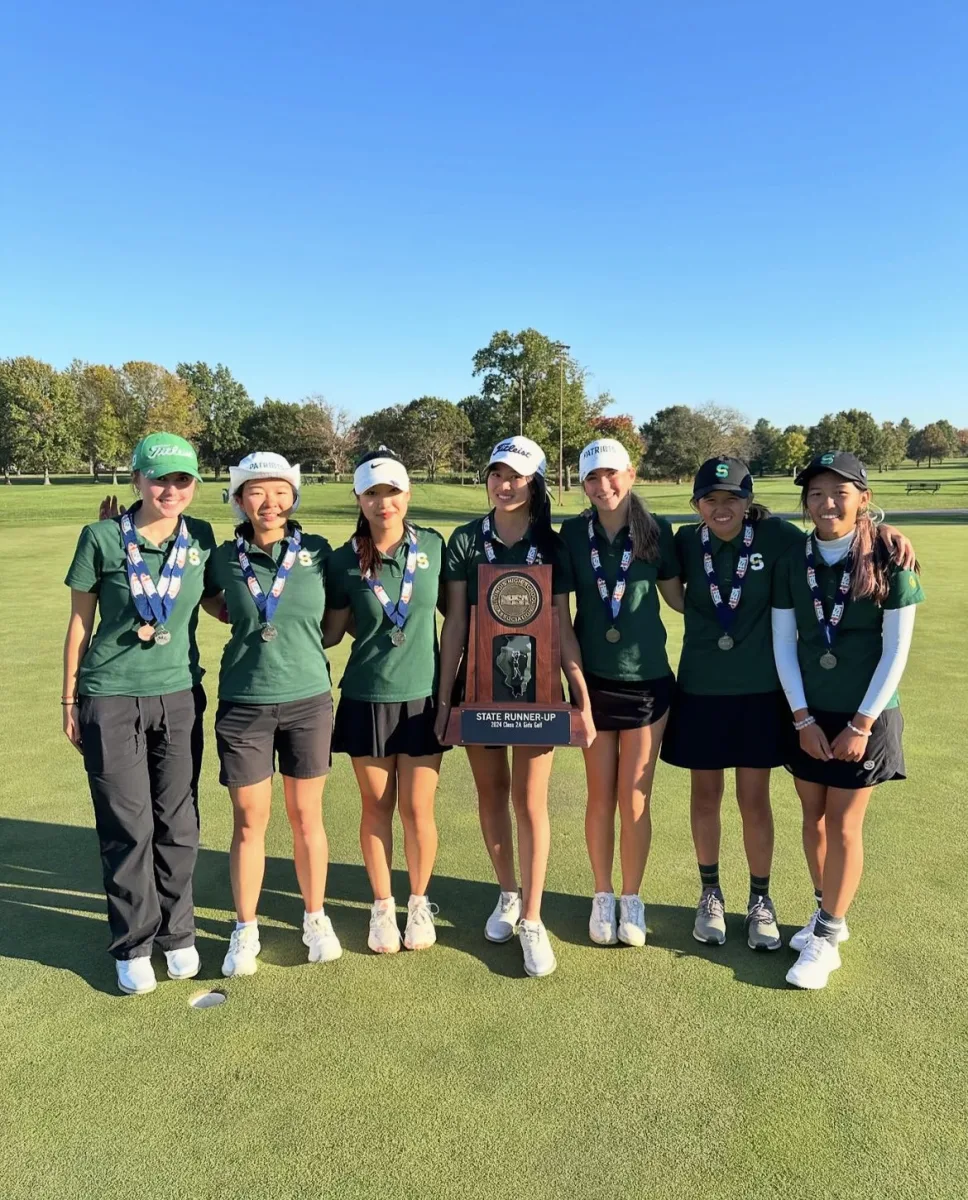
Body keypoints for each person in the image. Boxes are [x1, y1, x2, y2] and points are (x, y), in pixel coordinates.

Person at [661, 455, 917, 953]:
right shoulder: (686, 541)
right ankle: (709, 892)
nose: (721, 508)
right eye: (710, 500)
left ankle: (761, 900)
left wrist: (889, 533)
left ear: (750, 502)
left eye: (733, 498)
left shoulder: (780, 538)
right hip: (699, 688)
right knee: (705, 796)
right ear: (695, 505)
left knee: (754, 799)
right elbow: (671, 591)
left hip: (761, 692)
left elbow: (839, 534)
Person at [63, 433, 218, 995]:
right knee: (128, 825)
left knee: (178, 822)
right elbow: (80, 624)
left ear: (195, 485)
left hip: (178, 694)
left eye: (182, 479)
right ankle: (133, 942)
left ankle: (178, 934)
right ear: (136, 481)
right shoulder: (101, 538)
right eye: (159, 478)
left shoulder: (199, 537)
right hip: (110, 695)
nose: (170, 489)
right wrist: (68, 699)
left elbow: (220, 600)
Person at [435, 436, 595, 978]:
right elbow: (455, 623)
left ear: (535, 483)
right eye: (497, 474)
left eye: (517, 476)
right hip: (479, 690)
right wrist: (444, 697)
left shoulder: (552, 545)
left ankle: (532, 917)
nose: (505, 485)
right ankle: (507, 892)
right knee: (491, 795)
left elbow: (561, 625)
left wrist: (579, 691)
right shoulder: (464, 540)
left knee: (531, 802)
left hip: (537, 692)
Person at [772, 451, 923, 990]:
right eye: (815, 493)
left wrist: (860, 725)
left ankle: (829, 934)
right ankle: (825, 916)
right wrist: (801, 718)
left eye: (840, 492)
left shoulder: (888, 555)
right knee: (811, 817)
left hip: (868, 714)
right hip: (808, 714)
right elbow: (783, 644)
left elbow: (896, 650)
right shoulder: (794, 558)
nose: (826, 502)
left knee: (842, 824)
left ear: (863, 498)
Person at [210, 452, 341, 977]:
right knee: (249, 822)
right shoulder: (219, 557)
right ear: (240, 499)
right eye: (257, 492)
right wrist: (225, 610)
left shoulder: (318, 551)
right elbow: (193, 593)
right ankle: (246, 929)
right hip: (244, 703)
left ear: (294, 496)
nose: (270, 501)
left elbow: (337, 616)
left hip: (309, 700)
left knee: (307, 816)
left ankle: (315, 917)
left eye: (280, 491)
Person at [558, 439, 683, 947]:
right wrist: (578, 691)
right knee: (599, 796)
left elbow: (679, 599)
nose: (603, 486)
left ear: (631, 475)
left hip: (648, 682)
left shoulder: (658, 532)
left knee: (634, 799)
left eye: (612, 474)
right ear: (583, 483)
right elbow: (560, 619)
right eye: (592, 478)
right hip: (593, 683)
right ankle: (602, 895)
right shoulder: (570, 534)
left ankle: (632, 898)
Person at [324, 448, 447, 954]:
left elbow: (460, 615)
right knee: (376, 807)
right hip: (366, 695)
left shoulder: (434, 548)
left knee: (418, 809)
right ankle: (382, 907)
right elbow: (331, 630)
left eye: (391, 491)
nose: (383, 502)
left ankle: (417, 902)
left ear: (407, 494)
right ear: (359, 498)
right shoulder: (340, 559)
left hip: (424, 698)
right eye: (372, 493)